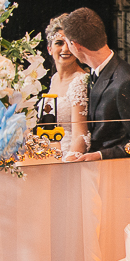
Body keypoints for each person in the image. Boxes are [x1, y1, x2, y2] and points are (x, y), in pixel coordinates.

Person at [59, 7, 130, 161]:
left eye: (67, 43)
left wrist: (101, 155)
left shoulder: (125, 82)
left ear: (76, 45)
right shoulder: (92, 74)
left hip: (114, 172)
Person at [44, 16, 89, 157]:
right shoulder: (55, 79)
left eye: (69, 43)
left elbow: (80, 136)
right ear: (49, 49)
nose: (65, 49)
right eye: (59, 43)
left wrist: (67, 163)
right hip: (48, 155)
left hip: (67, 156)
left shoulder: (80, 81)